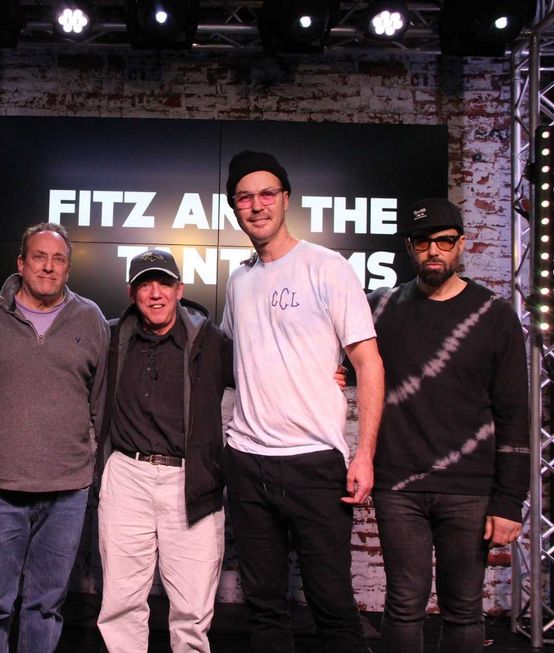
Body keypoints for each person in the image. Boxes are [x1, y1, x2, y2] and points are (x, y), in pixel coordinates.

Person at [220, 151, 385, 652]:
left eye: (267, 193)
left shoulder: (327, 266)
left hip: (313, 463)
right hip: (247, 461)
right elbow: (234, 359)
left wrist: (364, 454)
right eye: (244, 197)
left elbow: (369, 363)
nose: (257, 205)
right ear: (234, 207)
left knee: (333, 607)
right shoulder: (239, 279)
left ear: (286, 199)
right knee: (265, 610)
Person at [368, 198, 529, 653]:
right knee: (403, 606)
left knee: (463, 610)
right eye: (422, 242)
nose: (433, 251)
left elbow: (515, 413)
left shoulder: (494, 314)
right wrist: (336, 370)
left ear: (461, 244)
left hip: (470, 488)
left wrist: (509, 501)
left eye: (444, 241)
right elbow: (340, 356)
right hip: (398, 484)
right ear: (409, 247)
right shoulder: (379, 308)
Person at [0, 223, 110, 653]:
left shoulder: (91, 318)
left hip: (68, 490)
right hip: (1, 485)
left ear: (68, 268)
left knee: (46, 605)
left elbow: (101, 403)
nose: (48, 267)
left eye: (58, 259)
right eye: (39, 257)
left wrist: (98, 472)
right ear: (21, 262)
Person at [95, 249, 233, 653]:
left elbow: (265, 373)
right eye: (145, 285)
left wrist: (329, 371)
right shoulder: (111, 337)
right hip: (127, 474)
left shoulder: (211, 341)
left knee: (192, 610)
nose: (155, 294)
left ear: (179, 289)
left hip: (191, 478)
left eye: (164, 284)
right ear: (131, 292)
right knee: (121, 603)